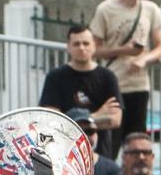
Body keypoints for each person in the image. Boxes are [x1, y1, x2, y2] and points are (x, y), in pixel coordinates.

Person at [91, 0, 161, 138]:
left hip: (139, 86)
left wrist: (144, 59)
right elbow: (93, 50)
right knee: (113, 138)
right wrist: (124, 50)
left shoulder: (151, 9)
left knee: (136, 138)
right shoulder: (106, 9)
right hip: (114, 84)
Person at [38, 23, 123, 157]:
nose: (82, 48)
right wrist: (96, 116)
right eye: (76, 44)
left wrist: (72, 120)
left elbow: (115, 120)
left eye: (86, 43)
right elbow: (53, 120)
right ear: (68, 47)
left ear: (94, 46)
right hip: (65, 153)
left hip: (100, 155)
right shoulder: (55, 77)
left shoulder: (107, 77)